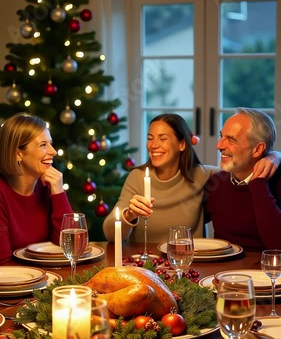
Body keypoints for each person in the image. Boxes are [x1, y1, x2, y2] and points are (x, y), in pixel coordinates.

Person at [103, 113, 280, 244]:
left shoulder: (206, 177)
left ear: (182, 144)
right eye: (150, 138)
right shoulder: (138, 177)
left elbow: (242, 167)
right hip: (147, 264)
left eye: (163, 138)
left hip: (190, 266)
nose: (153, 145)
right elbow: (110, 233)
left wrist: (273, 156)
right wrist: (130, 214)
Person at [0, 112, 73, 264]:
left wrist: (59, 193)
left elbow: (69, 247)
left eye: (50, 143)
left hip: (45, 279)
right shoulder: (2, 193)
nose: (53, 151)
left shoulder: (47, 186)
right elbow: (3, 264)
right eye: (43, 145)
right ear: (18, 154)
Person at [204, 107, 281, 251]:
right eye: (221, 136)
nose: (219, 145)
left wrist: (258, 182)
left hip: (267, 273)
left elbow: (277, 246)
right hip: (221, 272)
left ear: (257, 150)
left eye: (231, 140)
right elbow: (187, 220)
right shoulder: (216, 183)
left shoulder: (277, 183)